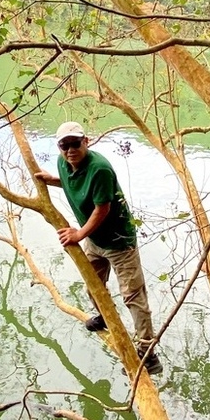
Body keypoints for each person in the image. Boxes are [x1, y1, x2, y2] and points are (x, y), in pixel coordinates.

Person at [34, 121, 163, 375]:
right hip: (95, 240)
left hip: (117, 241)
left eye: (75, 144)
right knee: (93, 285)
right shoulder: (64, 163)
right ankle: (106, 316)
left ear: (86, 142)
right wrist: (55, 180)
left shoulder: (100, 168)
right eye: (64, 145)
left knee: (133, 296)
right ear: (59, 147)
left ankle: (148, 355)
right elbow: (75, 182)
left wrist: (79, 234)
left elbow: (101, 208)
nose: (70, 150)